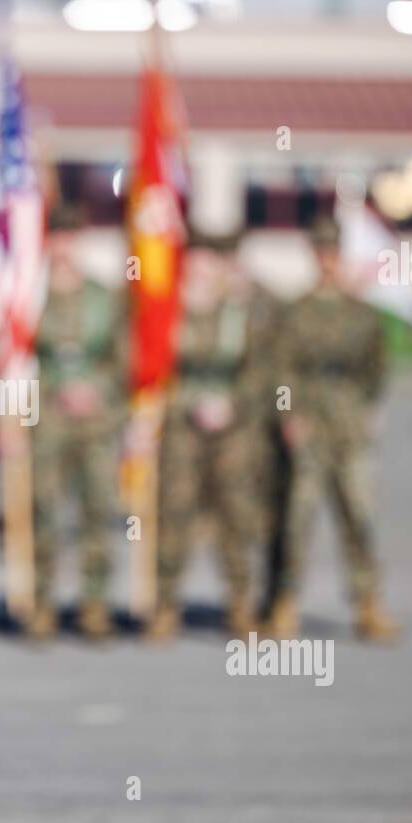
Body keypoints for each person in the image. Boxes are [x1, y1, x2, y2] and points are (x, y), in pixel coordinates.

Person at [261, 216, 400, 644]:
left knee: (359, 515)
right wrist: (289, 415)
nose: (327, 261)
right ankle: (285, 603)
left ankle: (368, 603)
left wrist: (371, 409)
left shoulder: (363, 313)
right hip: (310, 423)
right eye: (320, 252)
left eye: (333, 253)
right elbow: (280, 371)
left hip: (349, 424)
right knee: (298, 518)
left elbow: (377, 368)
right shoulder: (294, 313)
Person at [146, 228, 280, 642]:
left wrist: (233, 404)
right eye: (197, 258)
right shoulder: (172, 309)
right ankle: (166, 604)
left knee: (236, 515)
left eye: (213, 260)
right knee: (174, 513)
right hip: (183, 425)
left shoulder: (244, 308)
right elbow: (150, 359)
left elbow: (263, 369)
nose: (205, 268)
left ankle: (239, 603)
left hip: (233, 428)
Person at [25, 206, 122, 640]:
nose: (63, 245)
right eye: (56, 236)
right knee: (45, 512)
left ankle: (94, 605)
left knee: (97, 511)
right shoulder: (28, 293)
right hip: (47, 418)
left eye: (70, 236)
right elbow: (14, 357)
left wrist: (96, 388)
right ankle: (43, 604)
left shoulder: (104, 296)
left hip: (96, 421)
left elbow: (124, 360)